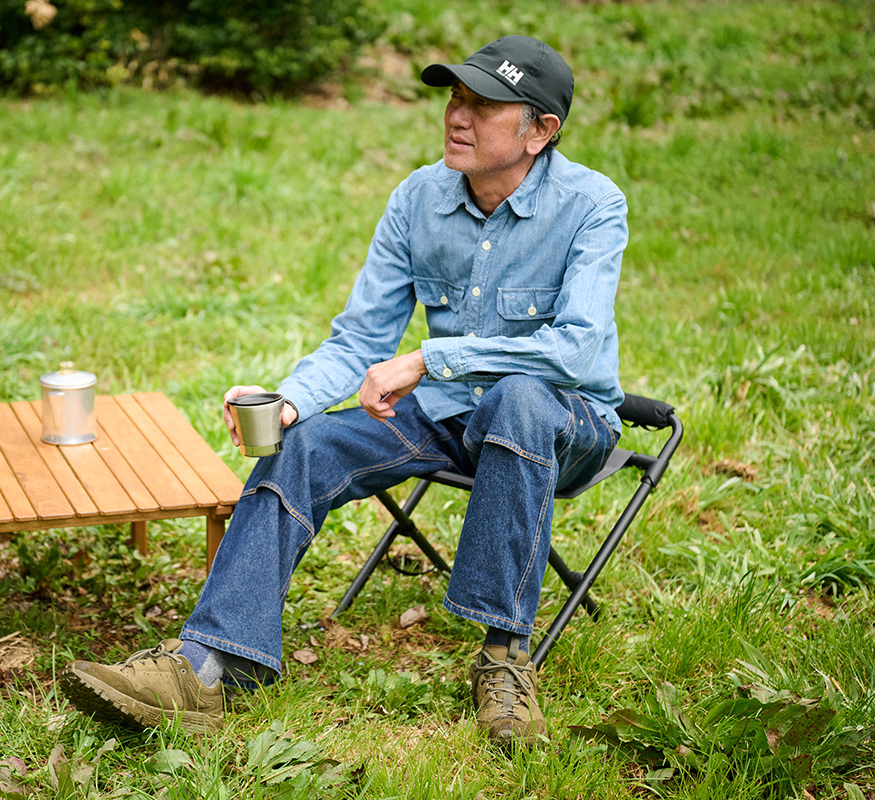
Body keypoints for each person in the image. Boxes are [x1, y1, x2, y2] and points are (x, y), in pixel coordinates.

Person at [60, 34, 628, 747]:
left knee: (517, 399)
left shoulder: (592, 205)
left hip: (566, 423)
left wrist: (428, 359)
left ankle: (505, 660)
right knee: (305, 445)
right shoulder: (419, 198)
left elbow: (574, 349)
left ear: (540, 130)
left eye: (483, 106)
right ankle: (209, 665)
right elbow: (360, 338)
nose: (457, 116)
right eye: (455, 98)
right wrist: (291, 400)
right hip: (452, 415)